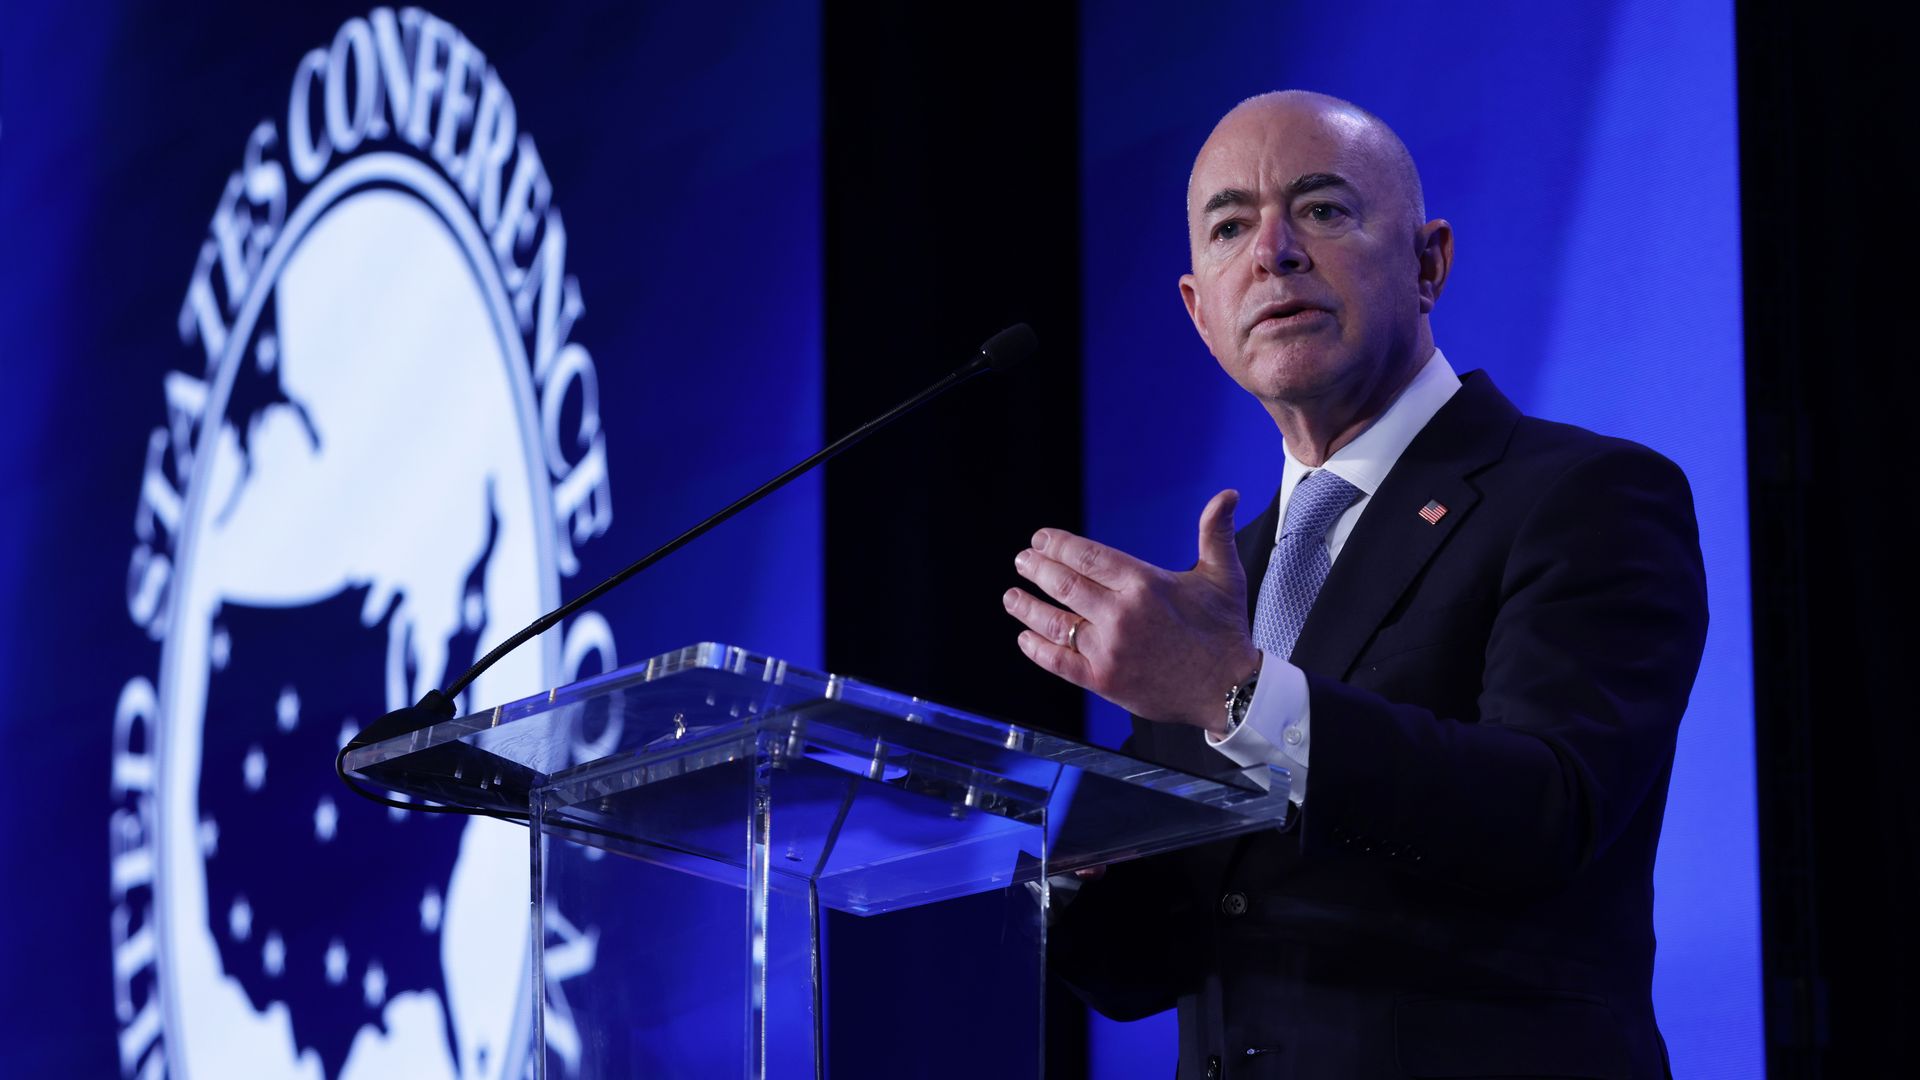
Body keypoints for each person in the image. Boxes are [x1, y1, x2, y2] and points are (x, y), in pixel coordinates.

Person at [1002, 91, 1707, 1079]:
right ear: (1200, 311)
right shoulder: (1221, 588)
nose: (1273, 252)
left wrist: (1234, 696)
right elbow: (1152, 963)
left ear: (1429, 264)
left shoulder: (1584, 495)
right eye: (1231, 227)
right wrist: (1048, 859)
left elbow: (1547, 812)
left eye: (1323, 209)